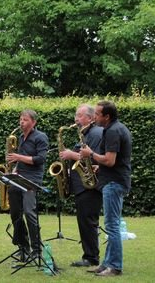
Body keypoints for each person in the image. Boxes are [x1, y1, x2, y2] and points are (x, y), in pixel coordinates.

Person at [80, 100, 132, 277]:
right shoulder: (115, 128)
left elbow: (110, 160)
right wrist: (98, 167)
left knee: (112, 226)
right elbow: (112, 162)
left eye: (97, 114)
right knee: (111, 224)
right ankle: (106, 263)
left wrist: (91, 154)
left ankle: (115, 267)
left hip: (114, 183)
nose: (94, 117)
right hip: (113, 180)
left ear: (106, 116)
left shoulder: (112, 131)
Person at [59, 104, 103, 267]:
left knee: (88, 221)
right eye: (76, 115)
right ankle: (89, 255)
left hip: (90, 185)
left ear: (91, 118)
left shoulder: (97, 133)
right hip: (83, 185)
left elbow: (95, 158)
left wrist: (71, 155)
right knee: (84, 220)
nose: (76, 119)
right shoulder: (86, 133)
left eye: (79, 115)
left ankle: (91, 258)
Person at [6, 109, 49, 259]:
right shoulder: (20, 137)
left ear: (33, 122)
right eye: (20, 119)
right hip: (19, 178)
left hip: (32, 180)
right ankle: (23, 247)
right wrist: (14, 170)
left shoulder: (40, 137)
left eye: (25, 119)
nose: (21, 122)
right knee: (15, 213)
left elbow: (40, 159)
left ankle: (37, 250)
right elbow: (21, 161)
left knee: (29, 213)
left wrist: (18, 156)